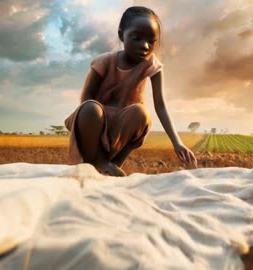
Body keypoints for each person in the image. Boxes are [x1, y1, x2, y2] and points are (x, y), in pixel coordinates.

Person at [65, 6, 197, 176]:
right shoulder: (104, 62)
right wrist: (91, 123)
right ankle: (97, 160)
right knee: (90, 109)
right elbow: (86, 99)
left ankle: (113, 163)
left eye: (152, 41)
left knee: (141, 113)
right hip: (96, 122)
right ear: (121, 35)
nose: (145, 45)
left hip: (123, 124)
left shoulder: (151, 65)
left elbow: (161, 106)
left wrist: (177, 142)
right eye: (137, 38)